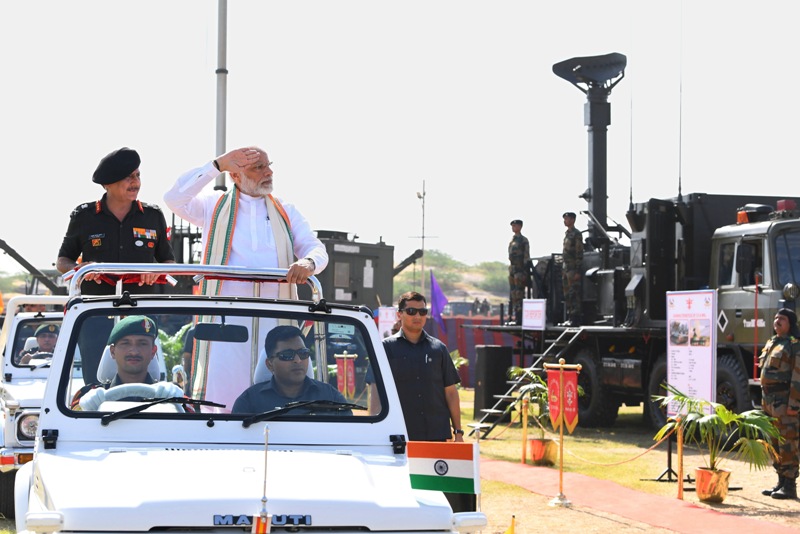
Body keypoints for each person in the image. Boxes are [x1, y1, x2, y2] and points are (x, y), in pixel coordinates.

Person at [164, 146, 329, 410]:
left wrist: (308, 262)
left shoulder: (286, 210)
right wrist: (216, 165)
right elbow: (174, 199)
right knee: (221, 401)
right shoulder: (212, 206)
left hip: (274, 320)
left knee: (277, 399)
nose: (269, 172)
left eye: (268, 165)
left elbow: (315, 248)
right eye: (258, 167)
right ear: (235, 176)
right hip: (226, 323)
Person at [56, 147, 176, 384]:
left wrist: (156, 272)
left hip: (140, 311)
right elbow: (63, 261)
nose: (135, 182)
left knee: (145, 380)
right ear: (107, 184)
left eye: (138, 176)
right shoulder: (84, 216)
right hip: (95, 312)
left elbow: (168, 262)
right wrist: (81, 269)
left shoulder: (153, 216)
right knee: (94, 380)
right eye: (128, 177)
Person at [381, 291, 472, 511]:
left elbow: (451, 392)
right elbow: (377, 391)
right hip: (400, 436)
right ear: (400, 314)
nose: (417, 316)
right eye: (411, 311)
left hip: (436, 436)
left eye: (422, 311)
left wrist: (458, 433)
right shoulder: (385, 348)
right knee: (401, 493)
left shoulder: (438, 349)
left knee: (436, 495)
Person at [70, 315, 181, 410]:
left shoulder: (172, 397)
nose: (133, 351)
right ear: (112, 352)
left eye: (142, 343)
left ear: (153, 351)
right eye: (125, 343)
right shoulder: (90, 399)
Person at [232, 325, 348, 414]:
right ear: (270, 364)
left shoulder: (330, 397)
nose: (297, 360)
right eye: (287, 355)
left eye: (303, 353)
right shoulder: (249, 402)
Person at [758, 308, 800, 500]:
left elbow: (797, 376)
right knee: (773, 443)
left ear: (790, 323)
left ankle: (790, 486)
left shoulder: (794, 345)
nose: (777, 321)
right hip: (769, 402)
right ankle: (781, 481)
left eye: (781, 319)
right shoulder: (772, 342)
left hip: (784, 403)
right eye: (775, 318)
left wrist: (794, 404)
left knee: (787, 443)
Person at [561, 211, 584, 326]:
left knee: (574, 294)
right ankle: (570, 317)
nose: (565, 220)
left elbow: (579, 253)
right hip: (566, 269)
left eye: (568, 219)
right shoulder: (567, 234)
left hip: (573, 269)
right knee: (567, 294)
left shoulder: (576, 234)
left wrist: (578, 271)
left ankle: (575, 319)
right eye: (565, 219)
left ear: (573, 220)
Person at [507, 219, 530, 325]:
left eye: (515, 226)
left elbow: (526, 257)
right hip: (513, 270)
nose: (513, 227)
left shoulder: (523, 240)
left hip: (520, 271)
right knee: (514, 294)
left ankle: (520, 318)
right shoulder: (512, 240)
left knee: (519, 294)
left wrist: (525, 272)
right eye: (512, 226)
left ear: (520, 227)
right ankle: (515, 316)